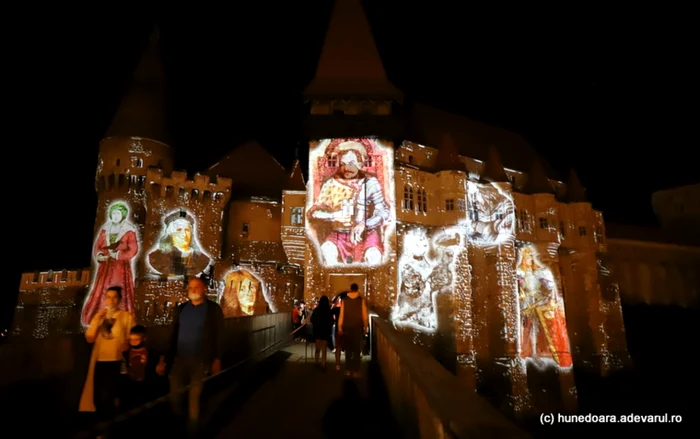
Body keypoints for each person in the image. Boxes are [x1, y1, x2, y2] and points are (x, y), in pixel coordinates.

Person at [156, 277, 225, 435]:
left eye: (197, 287)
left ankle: (193, 431)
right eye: (190, 287)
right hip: (180, 360)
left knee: (195, 399)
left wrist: (217, 358)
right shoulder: (181, 309)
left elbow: (219, 335)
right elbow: (172, 334)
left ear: (204, 289)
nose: (193, 290)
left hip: (201, 361)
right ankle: (181, 426)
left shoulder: (213, 310)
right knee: (175, 397)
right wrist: (163, 358)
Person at [79, 286, 136, 419]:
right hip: (100, 360)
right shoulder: (99, 315)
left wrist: (126, 345)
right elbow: (89, 338)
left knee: (113, 394)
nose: (111, 300)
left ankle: (111, 423)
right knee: (99, 394)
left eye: (114, 297)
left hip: (117, 361)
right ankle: (101, 425)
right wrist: (97, 320)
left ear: (120, 299)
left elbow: (133, 338)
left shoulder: (126, 317)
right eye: (108, 297)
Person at [120, 325, 162, 411]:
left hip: (145, 387)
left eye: (136, 339)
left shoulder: (150, 353)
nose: (133, 342)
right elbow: (123, 372)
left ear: (143, 339)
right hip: (130, 387)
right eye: (131, 340)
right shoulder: (125, 354)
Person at [338, 284, 368, 378]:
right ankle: (355, 371)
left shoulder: (344, 300)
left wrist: (339, 327)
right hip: (357, 327)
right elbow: (364, 315)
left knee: (348, 350)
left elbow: (341, 315)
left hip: (347, 327)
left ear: (350, 289)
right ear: (357, 289)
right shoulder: (361, 300)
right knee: (356, 350)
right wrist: (365, 327)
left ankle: (347, 369)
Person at [310, 295, 334, 370]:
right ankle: (323, 364)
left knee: (317, 348)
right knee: (324, 350)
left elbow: (312, 320)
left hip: (318, 331)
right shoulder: (329, 311)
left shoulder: (316, 310)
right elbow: (331, 321)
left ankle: (316, 362)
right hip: (326, 331)